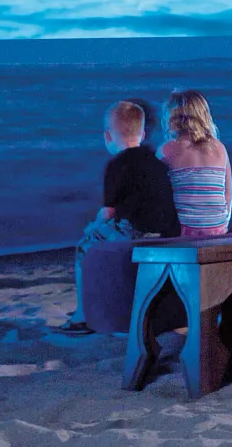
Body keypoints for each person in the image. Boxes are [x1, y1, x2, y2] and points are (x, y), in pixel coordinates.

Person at [57, 98, 180, 335]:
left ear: (108, 137)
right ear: (143, 133)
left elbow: (108, 212)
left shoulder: (116, 166)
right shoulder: (158, 163)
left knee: (86, 247)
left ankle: (82, 315)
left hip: (136, 234)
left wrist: (92, 227)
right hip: (165, 233)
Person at [160, 89, 232, 238]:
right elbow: (227, 193)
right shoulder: (219, 147)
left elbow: (159, 195)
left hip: (183, 231)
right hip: (217, 229)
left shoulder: (166, 151)